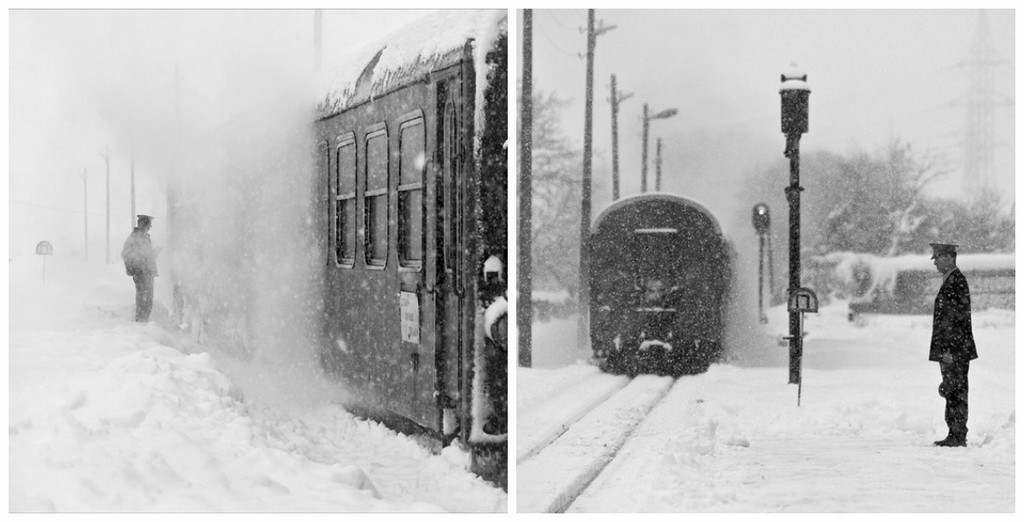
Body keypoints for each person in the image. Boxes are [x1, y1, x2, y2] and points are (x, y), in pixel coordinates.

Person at [928, 242, 977, 447]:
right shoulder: (951, 281)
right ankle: (954, 433)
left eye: (938, 259)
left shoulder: (956, 281)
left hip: (954, 348)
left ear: (948, 258)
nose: (935, 264)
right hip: (953, 347)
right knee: (951, 388)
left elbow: (954, 319)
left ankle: (957, 435)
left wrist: (948, 349)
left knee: (955, 389)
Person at [122, 214, 159, 322]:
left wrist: (153, 254)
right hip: (142, 272)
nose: (150, 227)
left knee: (147, 300)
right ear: (143, 224)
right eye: (149, 224)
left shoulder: (142, 237)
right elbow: (126, 253)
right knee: (144, 300)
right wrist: (135, 267)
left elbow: (146, 255)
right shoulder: (136, 237)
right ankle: (141, 322)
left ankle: (143, 321)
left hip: (146, 272)